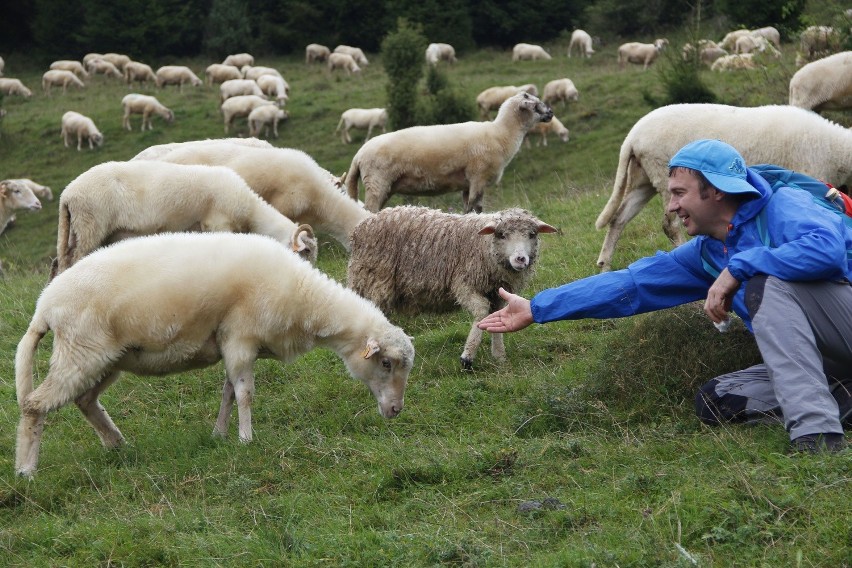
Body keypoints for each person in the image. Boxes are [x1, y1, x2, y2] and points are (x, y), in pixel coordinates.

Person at [478, 139, 852, 453]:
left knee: (762, 283)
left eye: (678, 193)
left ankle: (817, 436)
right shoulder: (708, 252)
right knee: (719, 399)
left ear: (716, 190)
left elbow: (827, 250)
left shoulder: (784, 206)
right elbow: (633, 283)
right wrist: (538, 307)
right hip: (828, 356)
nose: (671, 206)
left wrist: (740, 268)